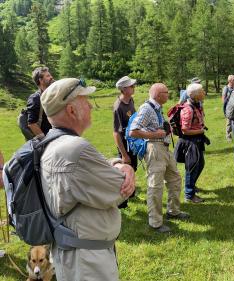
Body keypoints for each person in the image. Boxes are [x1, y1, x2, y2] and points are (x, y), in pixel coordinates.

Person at [39, 78, 136, 281]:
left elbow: (88, 172)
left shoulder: (54, 143)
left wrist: (118, 163)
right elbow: (121, 188)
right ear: (72, 110)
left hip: (74, 251)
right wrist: (125, 169)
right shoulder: (75, 149)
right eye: (85, 100)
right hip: (87, 261)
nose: (91, 105)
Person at [129, 83, 189, 233]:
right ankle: (155, 222)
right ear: (157, 94)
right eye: (166, 92)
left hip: (164, 148)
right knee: (155, 185)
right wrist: (156, 135)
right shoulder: (147, 108)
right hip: (155, 148)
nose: (168, 94)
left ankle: (173, 211)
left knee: (175, 179)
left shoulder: (157, 108)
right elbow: (133, 131)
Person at [175, 83, 207, 203]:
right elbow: (185, 130)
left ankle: (192, 185)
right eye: (202, 91)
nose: (204, 93)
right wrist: (200, 131)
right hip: (190, 142)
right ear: (195, 95)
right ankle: (189, 194)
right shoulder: (188, 109)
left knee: (200, 164)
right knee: (192, 167)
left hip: (197, 139)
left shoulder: (197, 105)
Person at [113, 76, 137, 209]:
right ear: (123, 89)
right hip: (124, 146)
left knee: (133, 168)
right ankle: (122, 202)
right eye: (131, 86)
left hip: (132, 143)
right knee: (123, 173)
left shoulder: (131, 100)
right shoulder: (118, 107)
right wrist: (124, 154)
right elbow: (116, 133)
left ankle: (130, 193)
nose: (134, 87)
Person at [25, 66, 55, 139]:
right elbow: (32, 123)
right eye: (48, 76)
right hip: (46, 141)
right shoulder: (35, 98)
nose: (51, 77)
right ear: (41, 80)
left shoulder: (52, 95)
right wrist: (44, 141)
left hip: (56, 137)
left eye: (50, 75)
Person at [222, 75, 234, 141]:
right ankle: (228, 136)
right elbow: (223, 99)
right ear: (230, 81)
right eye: (233, 80)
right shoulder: (226, 88)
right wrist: (226, 108)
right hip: (228, 108)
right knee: (229, 122)